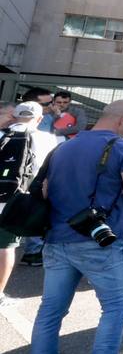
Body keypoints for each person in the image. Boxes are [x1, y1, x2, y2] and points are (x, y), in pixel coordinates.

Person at [30, 100, 123, 354]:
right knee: (114, 307)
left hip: (58, 238)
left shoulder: (64, 147)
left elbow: (44, 190)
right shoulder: (121, 148)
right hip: (99, 241)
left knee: (50, 311)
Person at [0, 102, 60, 306]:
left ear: (15, 116)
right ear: (40, 119)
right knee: (6, 246)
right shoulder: (47, 139)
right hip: (16, 200)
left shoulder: (2, 134)